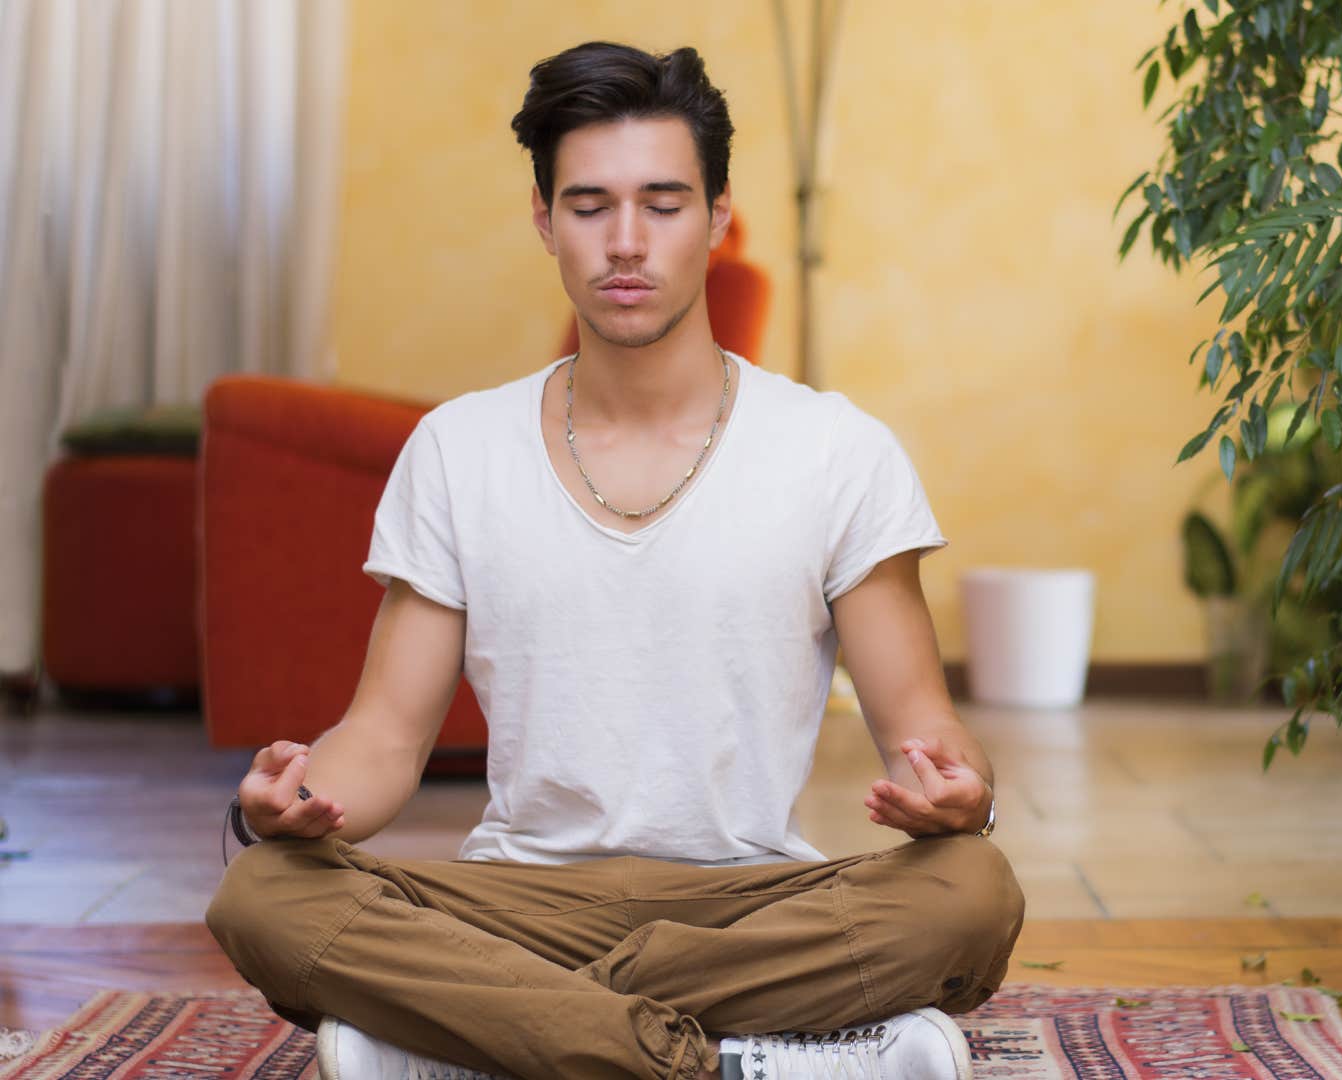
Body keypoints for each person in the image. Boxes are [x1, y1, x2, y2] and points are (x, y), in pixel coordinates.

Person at [204, 41, 1023, 1080]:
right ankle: (735, 1061)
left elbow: (932, 737)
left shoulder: (838, 451)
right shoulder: (459, 449)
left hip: (752, 901)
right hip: (516, 902)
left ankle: (486, 1040)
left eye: (664, 203)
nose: (626, 243)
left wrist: (967, 799)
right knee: (262, 894)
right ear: (544, 221)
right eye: (589, 206)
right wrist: (285, 802)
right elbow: (384, 740)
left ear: (719, 216)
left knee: (973, 893)